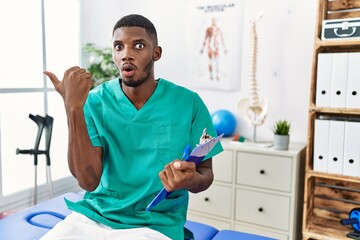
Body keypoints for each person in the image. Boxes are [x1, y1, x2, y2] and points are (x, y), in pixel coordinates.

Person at [42, 14, 223, 240]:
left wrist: (190, 180)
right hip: (95, 216)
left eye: (138, 46)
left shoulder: (189, 103)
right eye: (119, 47)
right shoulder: (95, 102)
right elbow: (88, 181)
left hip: (155, 223)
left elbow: (206, 173)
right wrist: (72, 108)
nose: (126, 54)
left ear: (156, 53)